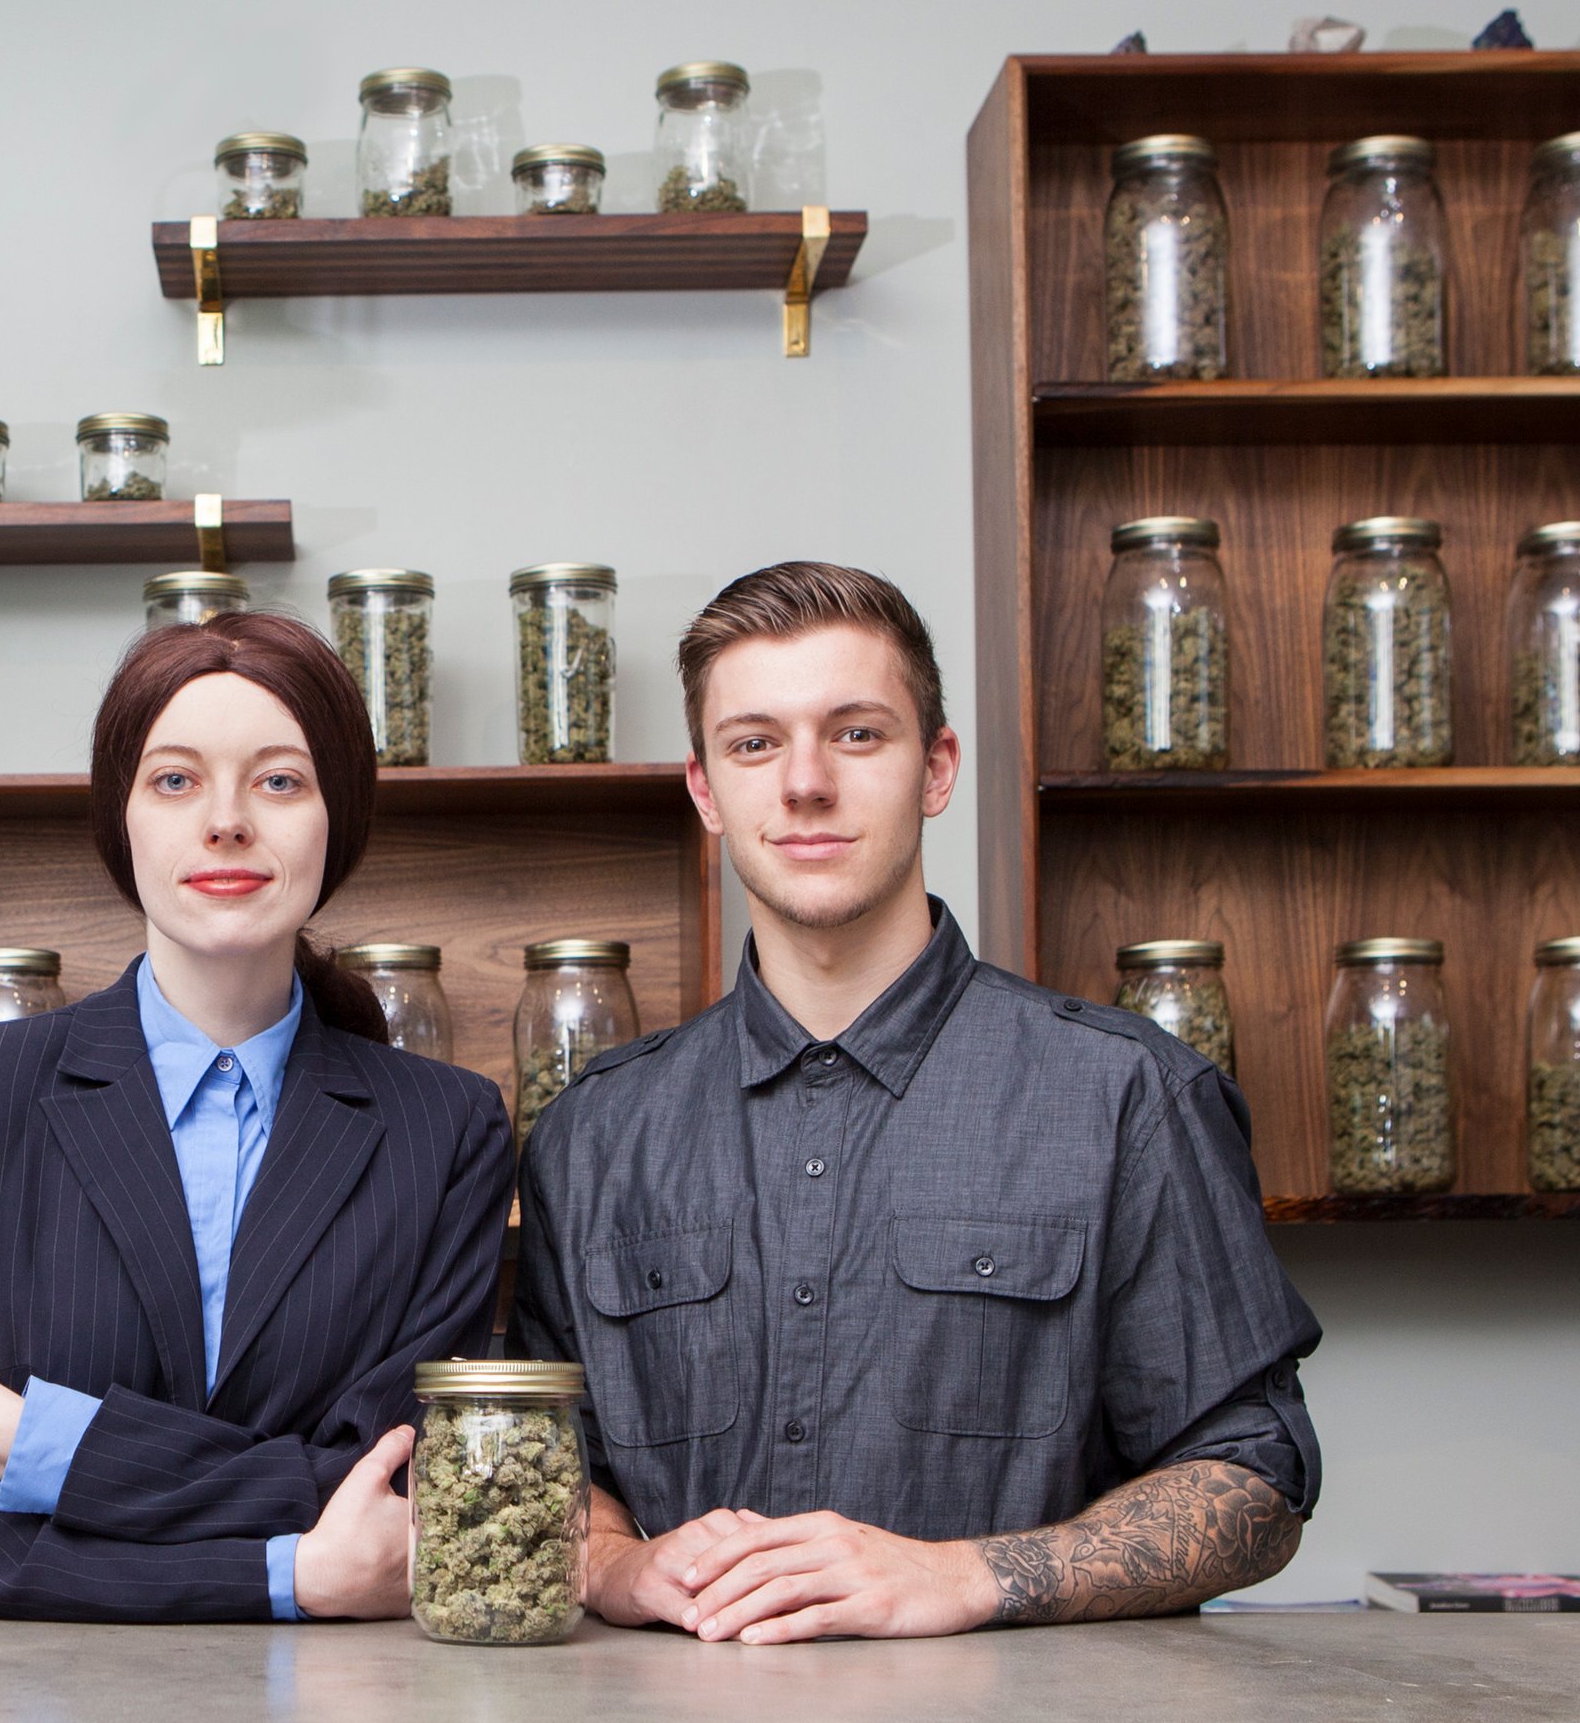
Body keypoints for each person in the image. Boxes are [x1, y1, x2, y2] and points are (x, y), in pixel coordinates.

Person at [512, 561, 1320, 1644]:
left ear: (936, 768)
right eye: (754, 742)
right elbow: (547, 1455)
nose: (804, 782)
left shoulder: (1129, 1096)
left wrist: (966, 1576)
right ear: (707, 790)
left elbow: (1252, 1480)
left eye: (856, 733)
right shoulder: (592, 1135)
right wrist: (613, 1563)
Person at [0, 613, 516, 1620]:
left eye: (280, 780)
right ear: (120, 818)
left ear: (337, 817)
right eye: (175, 780)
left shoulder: (450, 1132)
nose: (226, 820)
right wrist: (287, 1574)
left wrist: (9, 1434)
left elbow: (377, 1485)